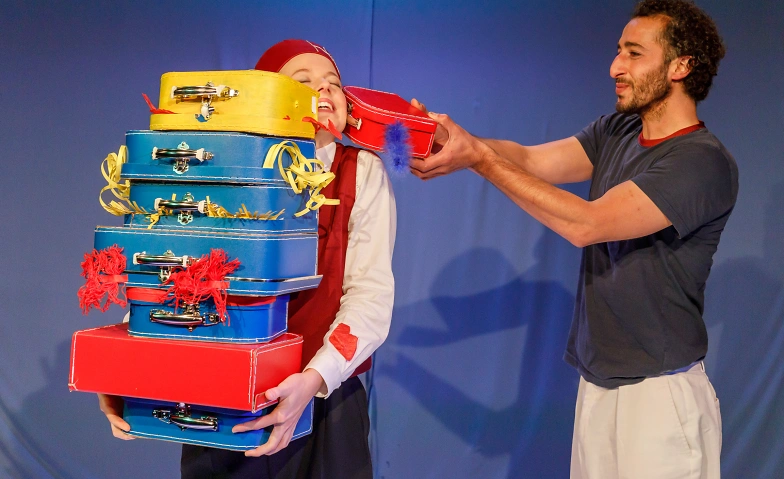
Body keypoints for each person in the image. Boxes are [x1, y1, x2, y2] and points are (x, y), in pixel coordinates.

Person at [410, 1, 736, 478]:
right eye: (618, 51)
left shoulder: (701, 161)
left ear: (680, 66)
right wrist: (455, 142)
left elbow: (587, 223)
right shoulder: (617, 130)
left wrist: (477, 158)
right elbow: (529, 160)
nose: (615, 67)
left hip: (661, 399)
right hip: (597, 387)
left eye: (634, 53)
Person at [100, 39, 396, 479]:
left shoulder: (361, 171)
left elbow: (370, 295)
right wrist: (130, 368)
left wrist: (316, 377)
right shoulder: (218, 168)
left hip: (325, 398)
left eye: (333, 83)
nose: (324, 90)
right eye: (303, 82)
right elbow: (168, 274)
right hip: (219, 392)